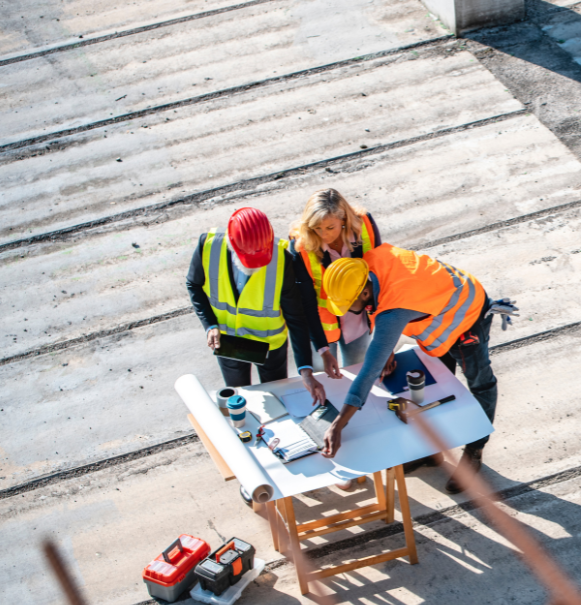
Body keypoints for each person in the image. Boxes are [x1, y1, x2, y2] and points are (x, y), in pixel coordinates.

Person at [318, 245, 515, 494]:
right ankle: (431, 450)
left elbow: (369, 371)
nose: (346, 310)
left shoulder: (393, 312)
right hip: (441, 311)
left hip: (468, 315)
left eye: (349, 303)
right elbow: (395, 297)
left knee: (480, 383)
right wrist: (387, 347)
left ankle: (475, 449)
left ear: (365, 291)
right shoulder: (370, 263)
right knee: (433, 388)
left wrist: (338, 424)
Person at [185, 207, 327, 403]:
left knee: (278, 400)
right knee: (239, 399)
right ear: (233, 245)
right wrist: (210, 325)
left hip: (269, 347)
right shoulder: (208, 246)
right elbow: (194, 284)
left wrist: (305, 371)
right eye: (249, 258)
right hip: (230, 342)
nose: (256, 265)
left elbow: (296, 317)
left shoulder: (283, 259)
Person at [289, 189, 382, 376]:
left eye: (330, 228)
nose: (323, 235)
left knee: (358, 373)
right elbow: (304, 303)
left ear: (344, 220)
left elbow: (382, 277)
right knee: (324, 379)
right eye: (317, 228)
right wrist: (322, 349)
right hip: (321, 330)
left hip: (358, 323)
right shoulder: (300, 246)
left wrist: (383, 338)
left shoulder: (365, 226)